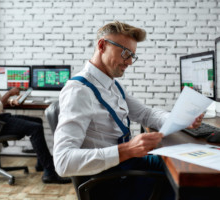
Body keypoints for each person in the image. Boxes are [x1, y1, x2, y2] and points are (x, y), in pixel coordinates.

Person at [53, 21, 204, 199]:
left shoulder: (113, 85)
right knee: (199, 189)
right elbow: (63, 162)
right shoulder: (79, 91)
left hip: (126, 166)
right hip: (111, 183)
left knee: (195, 169)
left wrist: (182, 118)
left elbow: (146, 114)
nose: (130, 62)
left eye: (132, 55)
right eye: (125, 53)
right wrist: (127, 149)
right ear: (102, 46)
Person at [0, 49, 71, 184]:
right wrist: (9, 94)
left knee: (37, 121)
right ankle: (49, 173)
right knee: (34, 128)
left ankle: (42, 164)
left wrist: (11, 100)